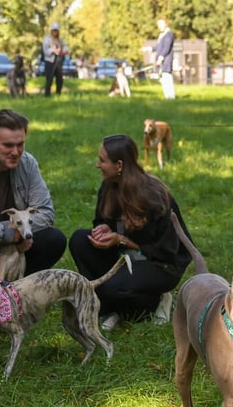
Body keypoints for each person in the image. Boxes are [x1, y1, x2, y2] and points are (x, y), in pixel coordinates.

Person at [69, 134, 193, 331]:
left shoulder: (153, 195)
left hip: (160, 263)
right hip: (124, 257)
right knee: (79, 240)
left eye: (102, 160)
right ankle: (109, 307)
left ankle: (157, 299)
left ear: (119, 165)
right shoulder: (109, 186)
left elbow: (167, 250)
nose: (97, 165)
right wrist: (104, 228)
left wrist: (123, 240)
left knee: (113, 288)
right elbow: (102, 219)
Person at [0, 109, 67, 276]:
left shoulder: (28, 162)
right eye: (8, 145)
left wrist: (20, 231)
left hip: (19, 238)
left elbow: (45, 213)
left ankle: (22, 290)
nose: (15, 152)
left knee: (54, 239)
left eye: (20, 144)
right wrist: (9, 233)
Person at [42, 22, 68, 97]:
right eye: (54, 30)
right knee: (49, 78)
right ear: (51, 31)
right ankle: (47, 94)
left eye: (56, 30)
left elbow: (65, 46)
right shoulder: (47, 39)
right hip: (50, 61)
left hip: (59, 61)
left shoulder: (60, 40)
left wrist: (65, 51)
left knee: (59, 78)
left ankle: (58, 93)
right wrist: (53, 51)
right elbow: (45, 50)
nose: (55, 32)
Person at [155, 18, 176, 100]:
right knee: (163, 79)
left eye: (161, 24)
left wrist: (161, 57)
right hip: (162, 60)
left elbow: (166, 47)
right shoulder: (162, 35)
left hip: (166, 60)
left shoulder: (168, 34)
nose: (159, 27)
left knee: (167, 77)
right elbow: (158, 47)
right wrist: (150, 48)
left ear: (166, 24)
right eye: (158, 25)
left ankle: (170, 97)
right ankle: (168, 97)